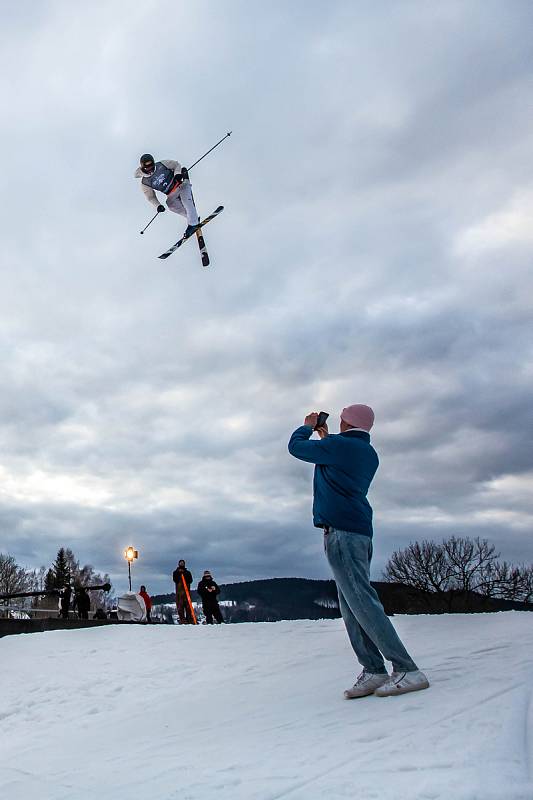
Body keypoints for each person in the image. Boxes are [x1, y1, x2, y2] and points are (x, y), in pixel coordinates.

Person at [288, 404, 429, 699]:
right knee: (352, 604)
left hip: (341, 532)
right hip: (358, 530)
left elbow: (297, 447)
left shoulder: (340, 446)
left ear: (347, 422)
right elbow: (334, 459)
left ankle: (406, 668)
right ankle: (374, 669)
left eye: (341, 420)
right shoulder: (365, 452)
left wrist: (307, 426)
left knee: (361, 602)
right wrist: (326, 439)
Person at [135, 153, 200, 238]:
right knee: (171, 205)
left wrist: (177, 174)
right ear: (143, 168)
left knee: (186, 202)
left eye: (151, 166)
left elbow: (176, 164)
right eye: (147, 168)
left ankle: (193, 224)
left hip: (180, 185)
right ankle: (193, 218)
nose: (150, 169)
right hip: (170, 193)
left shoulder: (161, 164)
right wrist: (158, 206)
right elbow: (151, 197)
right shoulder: (145, 182)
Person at [172, 559, 194, 624]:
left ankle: (189, 619)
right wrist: (179, 573)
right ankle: (182, 620)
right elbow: (175, 579)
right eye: (180, 563)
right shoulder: (175, 572)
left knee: (188, 607)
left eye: (183, 563)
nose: (182, 564)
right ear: (178, 564)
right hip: (179, 593)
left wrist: (184, 573)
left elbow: (190, 580)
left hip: (187, 592)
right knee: (180, 607)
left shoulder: (188, 572)